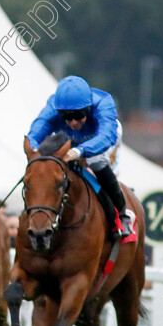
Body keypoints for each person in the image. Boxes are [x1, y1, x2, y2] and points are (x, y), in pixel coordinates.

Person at [27, 75, 132, 237]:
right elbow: (36, 132)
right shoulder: (52, 107)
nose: (74, 122)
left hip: (102, 137)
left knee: (95, 162)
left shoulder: (104, 104)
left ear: (89, 109)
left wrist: (79, 152)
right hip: (71, 139)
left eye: (79, 115)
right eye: (67, 117)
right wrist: (34, 151)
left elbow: (106, 136)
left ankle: (122, 215)